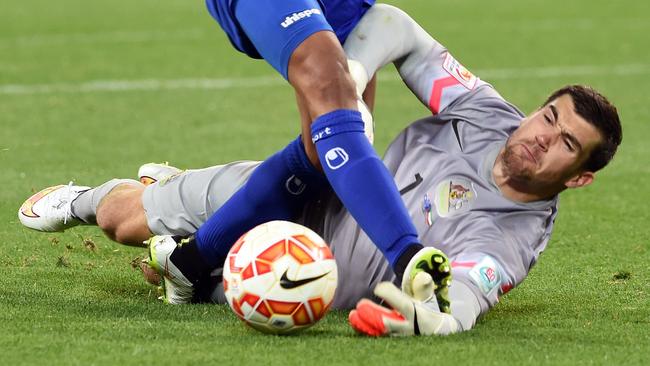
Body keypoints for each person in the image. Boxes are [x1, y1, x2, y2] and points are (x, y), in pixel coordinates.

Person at [18, 5, 621, 336]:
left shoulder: (515, 234)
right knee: (124, 222)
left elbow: (463, 296)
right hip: (312, 183)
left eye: (566, 142)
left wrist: (424, 320)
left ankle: (183, 244)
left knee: (183, 283)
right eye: (548, 116)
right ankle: (86, 198)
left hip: (305, 272)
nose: (541, 138)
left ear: (579, 178)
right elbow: (395, 27)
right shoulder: (488, 112)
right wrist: (348, 83)